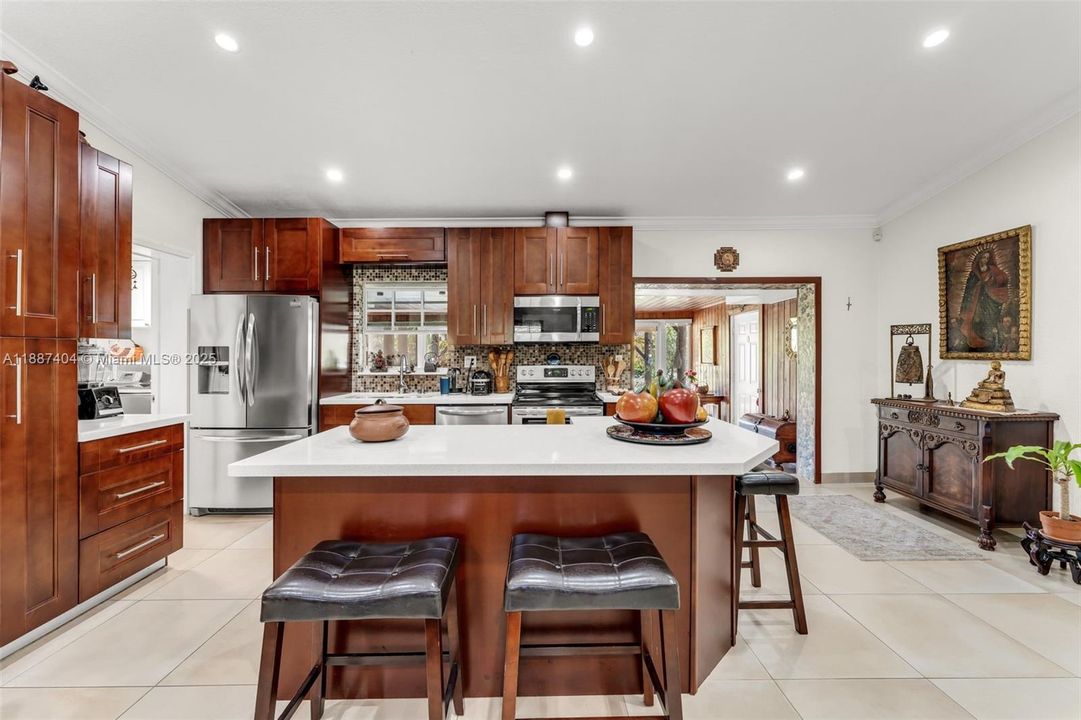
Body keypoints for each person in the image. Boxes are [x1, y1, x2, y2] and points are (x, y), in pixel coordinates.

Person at [958, 249, 1011, 351]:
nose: (985, 260)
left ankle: (989, 340)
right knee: (977, 318)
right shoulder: (973, 273)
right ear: (978, 259)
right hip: (976, 300)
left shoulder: (992, 269)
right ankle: (978, 340)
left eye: (987, 258)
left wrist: (992, 282)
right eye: (983, 257)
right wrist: (978, 285)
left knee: (989, 318)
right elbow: (968, 289)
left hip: (990, 299)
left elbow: (1003, 278)